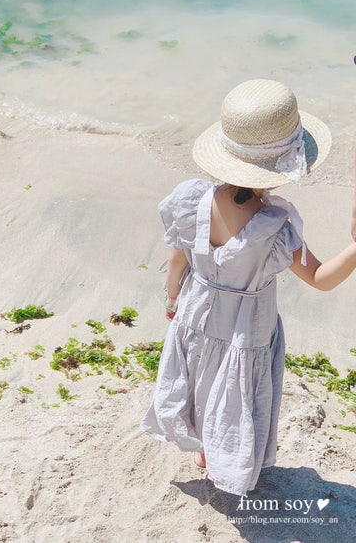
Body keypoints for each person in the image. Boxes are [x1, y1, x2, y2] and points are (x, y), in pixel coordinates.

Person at [140, 78, 356, 496]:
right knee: (236, 388)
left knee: (202, 374)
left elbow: (177, 259)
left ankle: (204, 450)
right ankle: (229, 459)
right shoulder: (273, 228)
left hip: (196, 311)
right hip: (247, 327)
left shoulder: (191, 199)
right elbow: (321, 278)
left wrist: (172, 298)